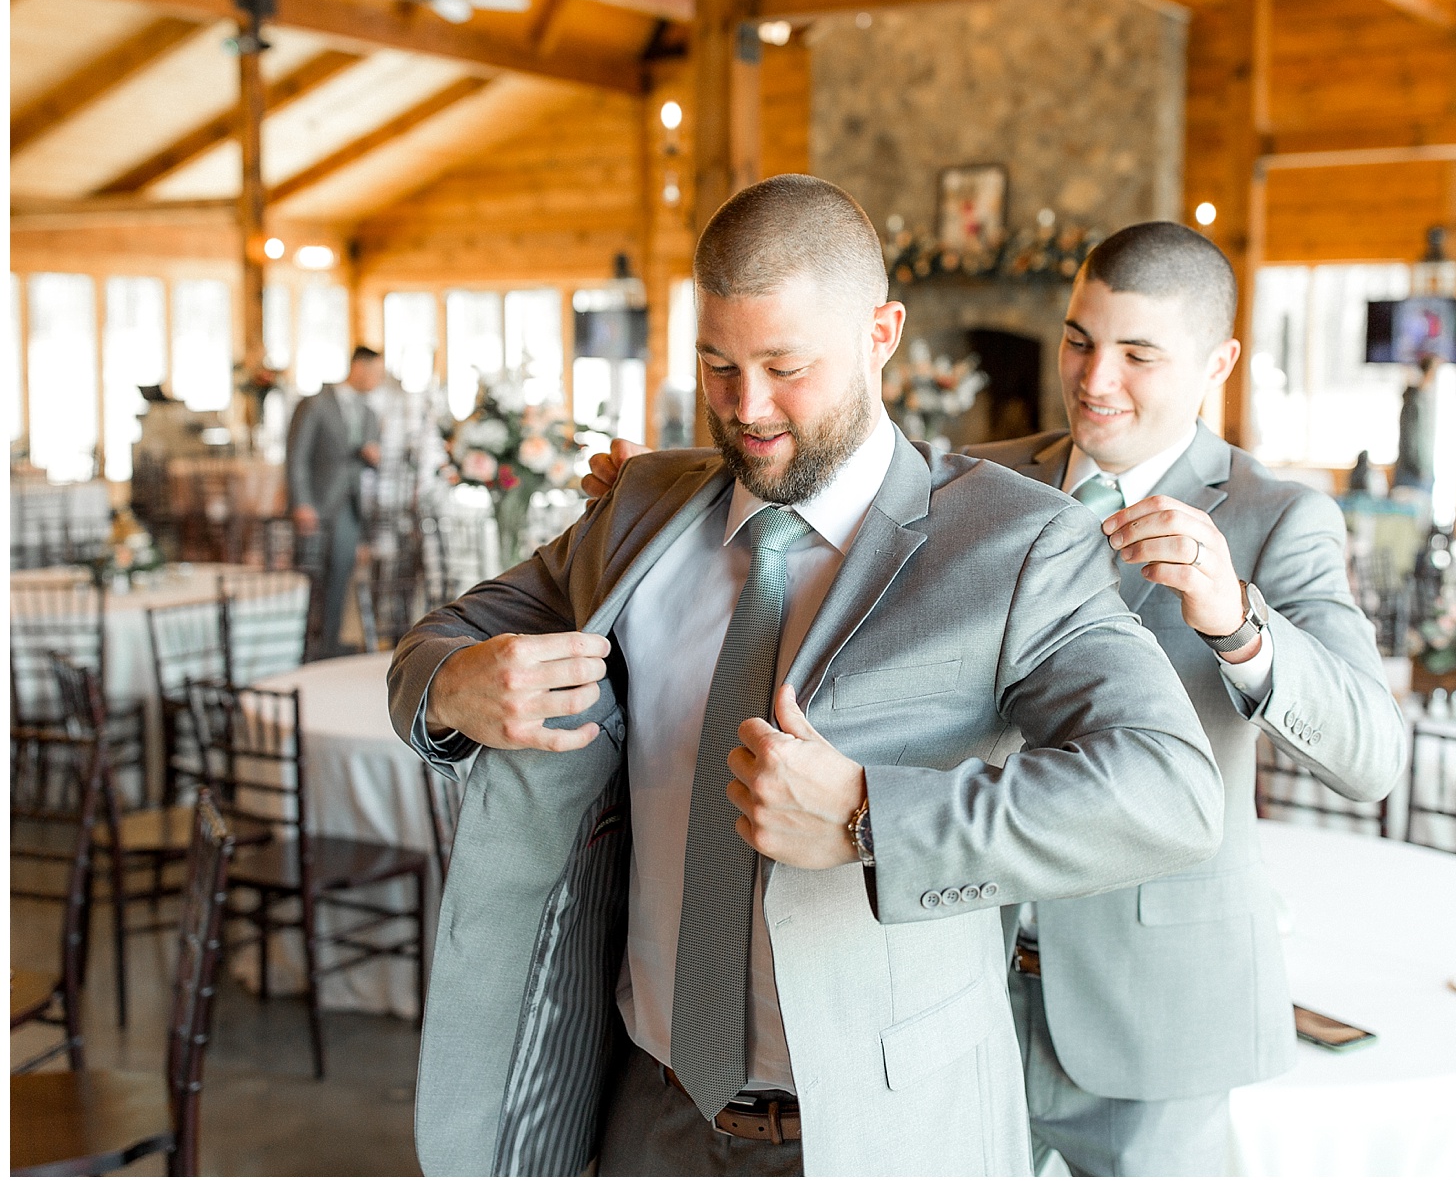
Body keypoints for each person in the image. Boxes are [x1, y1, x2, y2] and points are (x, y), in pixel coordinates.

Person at [391, 176, 1225, 1177]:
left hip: (878, 1135)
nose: (748, 410)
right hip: (642, 1111)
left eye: (787, 367)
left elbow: (1169, 788)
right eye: (718, 365)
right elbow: (437, 647)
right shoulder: (643, 507)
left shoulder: (1015, 543)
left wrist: (873, 817)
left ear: (882, 332)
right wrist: (456, 687)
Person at [584, 221, 1409, 1175]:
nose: (1095, 380)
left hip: (1151, 1009)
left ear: (1219, 360)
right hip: (953, 990)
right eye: (1078, 340)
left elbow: (1370, 753)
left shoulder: (1279, 515)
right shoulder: (981, 483)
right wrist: (670, 497)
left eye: (1138, 354)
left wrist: (1239, 624)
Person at [286, 346, 383, 655]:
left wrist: (371, 457)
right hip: (316, 504)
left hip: (350, 505)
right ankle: (299, 646)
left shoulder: (370, 414)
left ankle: (328, 646)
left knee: (341, 573)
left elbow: (366, 457)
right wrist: (301, 502)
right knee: (308, 579)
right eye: (377, 373)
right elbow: (296, 456)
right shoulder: (315, 404)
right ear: (359, 367)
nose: (378, 381)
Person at [1394, 353, 1436, 494]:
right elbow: (1412, 436)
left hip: (1418, 471)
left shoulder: (1419, 399)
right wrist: (1420, 468)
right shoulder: (1415, 402)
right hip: (1414, 473)